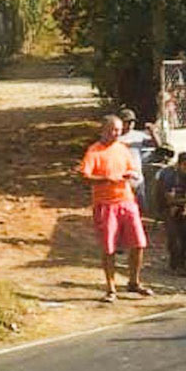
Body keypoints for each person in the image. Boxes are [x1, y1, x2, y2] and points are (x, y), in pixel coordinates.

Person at [79, 115, 153, 302]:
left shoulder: (122, 148)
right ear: (103, 130)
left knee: (138, 243)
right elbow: (84, 176)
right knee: (108, 247)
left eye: (119, 130)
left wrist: (131, 174)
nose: (117, 134)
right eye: (113, 130)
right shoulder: (94, 151)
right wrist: (105, 179)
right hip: (106, 204)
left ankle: (134, 281)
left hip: (126, 200)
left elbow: (132, 169)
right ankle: (111, 288)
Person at [156, 152, 186, 276]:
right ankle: (174, 262)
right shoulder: (170, 176)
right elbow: (169, 199)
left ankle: (182, 264)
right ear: (179, 165)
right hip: (169, 208)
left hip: (184, 207)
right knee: (173, 236)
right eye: (185, 165)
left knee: (185, 236)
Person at [117, 108, 161, 211]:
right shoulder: (115, 136)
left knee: (141, 208)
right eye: (127, 122)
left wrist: (152, 132)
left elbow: (158, 145)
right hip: (120, 177)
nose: (130, 124)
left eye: (132, 121)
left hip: (136, 177)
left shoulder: (138, 135)